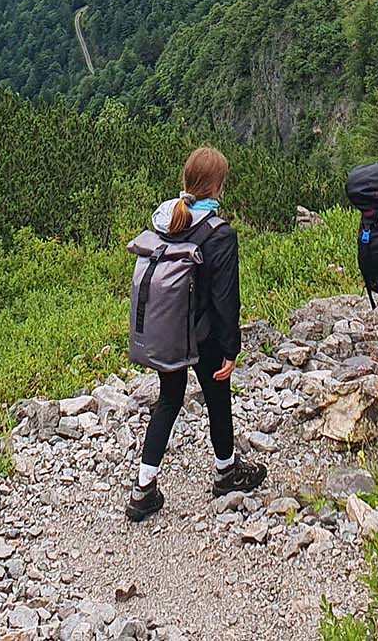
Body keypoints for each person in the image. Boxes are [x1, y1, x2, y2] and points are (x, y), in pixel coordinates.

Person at [127, 146, 267, 521]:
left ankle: (143, 490)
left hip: (168, 330)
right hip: (203, 334)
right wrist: (230, 348)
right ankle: (226, 471)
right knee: (217, 398)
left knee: (169, 399)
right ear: (220, 186)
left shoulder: (167, 220)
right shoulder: (218, 233)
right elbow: (225, 299)